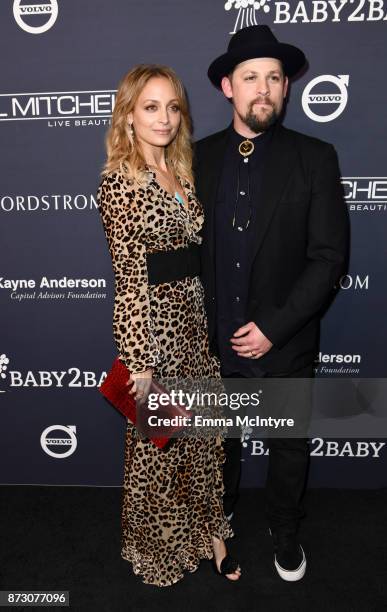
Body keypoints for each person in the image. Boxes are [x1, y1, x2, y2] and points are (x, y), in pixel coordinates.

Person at [194, 25, 349, 581]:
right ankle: (220, 512)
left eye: (274, 78)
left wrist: (274, 329)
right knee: (221, 443)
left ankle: (284, 527)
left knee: (287, 446)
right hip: (210, 346)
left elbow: (329, 258)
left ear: (287, 89)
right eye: (251, 77)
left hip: (283, 344)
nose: (264, 89)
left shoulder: (316, 158)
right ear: (227, 87)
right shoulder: (194, 159)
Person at [97, 64, 241, 586]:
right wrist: (139, 360)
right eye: (150, 107)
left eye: (172, 107)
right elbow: (130, 276)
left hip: (194, 320)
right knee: (160, 449)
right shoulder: (120, 183)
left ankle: (212, 534)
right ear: (129, 116)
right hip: (156, 330)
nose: (164, 118)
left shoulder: (180, 172)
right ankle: (158, 547)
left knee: (202, 435)